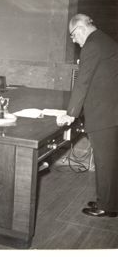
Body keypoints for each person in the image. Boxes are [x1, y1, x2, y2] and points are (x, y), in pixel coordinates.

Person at [58, 14, 118, 217]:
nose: (73, 40)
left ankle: (108, 207)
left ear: (81, 29)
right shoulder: (104, 40)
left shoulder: (92, 45)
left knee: (105, 161)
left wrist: (71, 114)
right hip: (111, 111)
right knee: (109, 160)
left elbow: (82, 81)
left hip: (104, 114)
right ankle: (108, 200)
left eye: (73, 35)